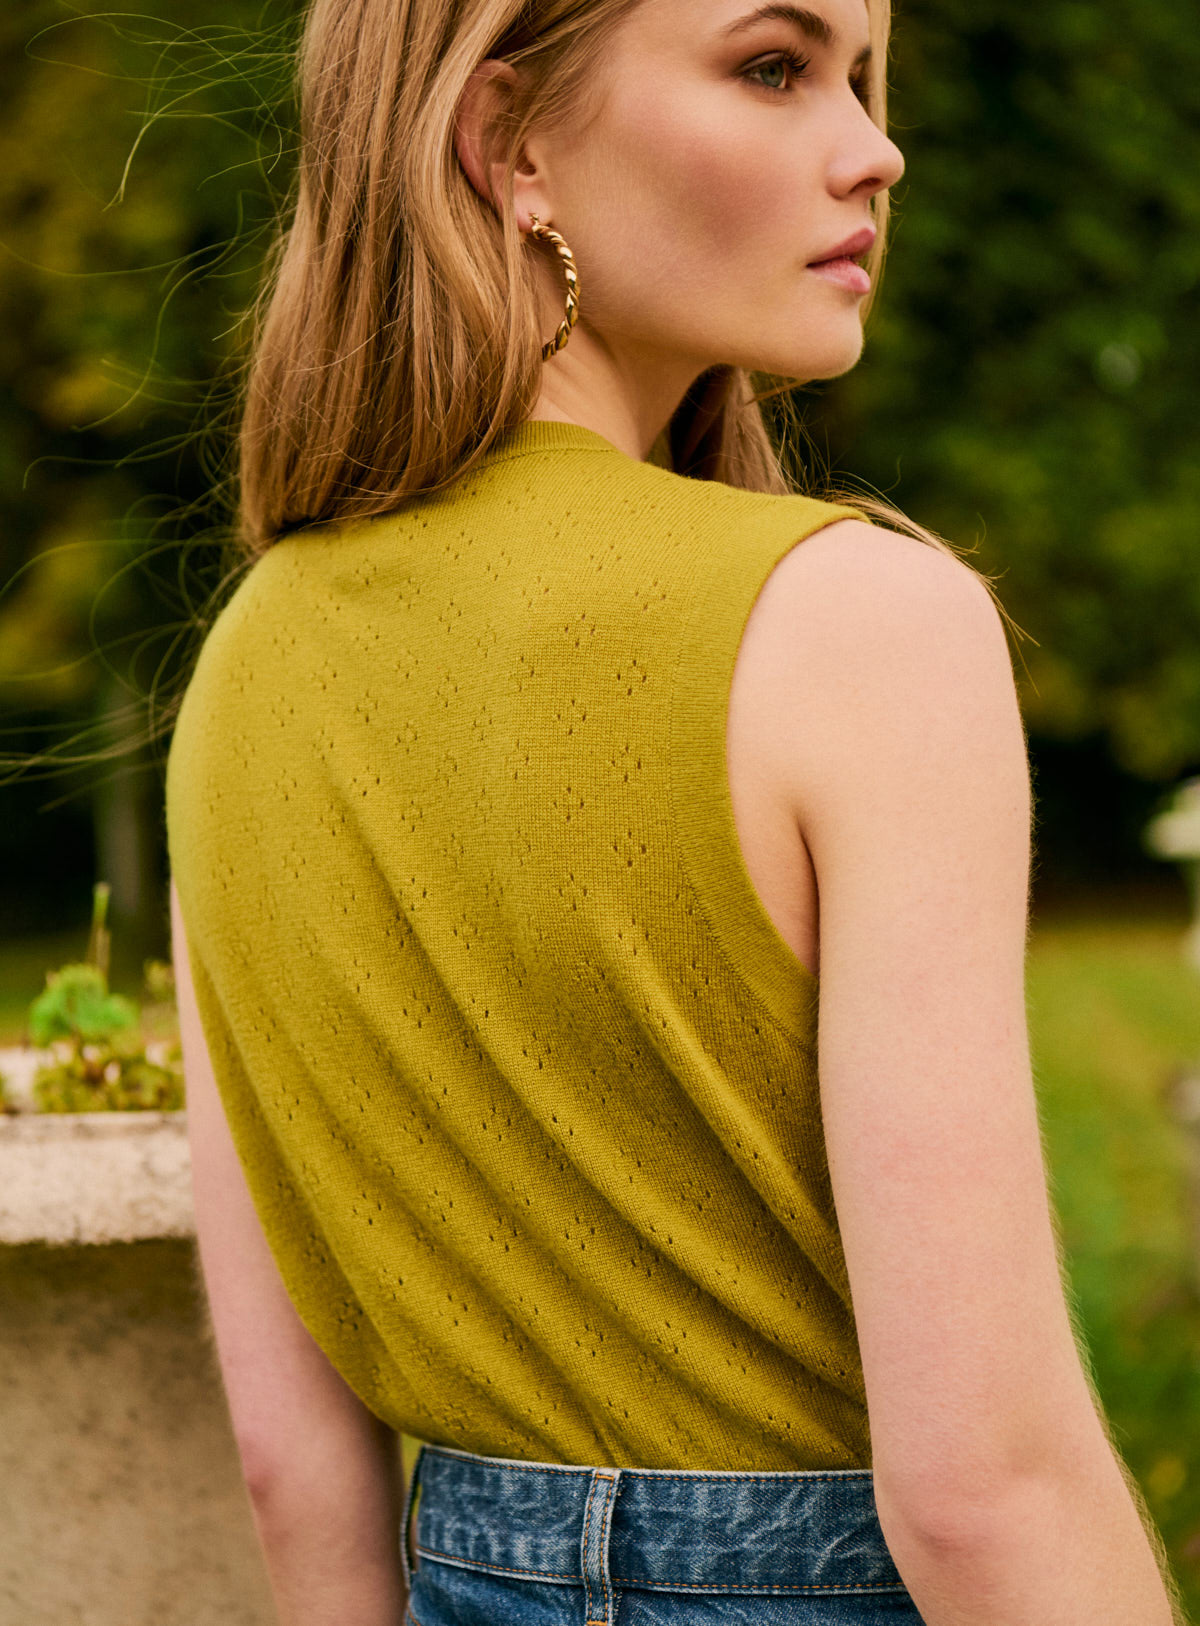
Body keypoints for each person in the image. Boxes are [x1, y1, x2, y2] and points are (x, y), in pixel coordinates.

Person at [164, 0, 1187, 1622]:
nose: (877, 150)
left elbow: (295, 1474)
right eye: (774, 66)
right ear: (508, 141)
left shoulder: (245, 666)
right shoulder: (863, 628)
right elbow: (983, 1493)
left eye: (863, 77)